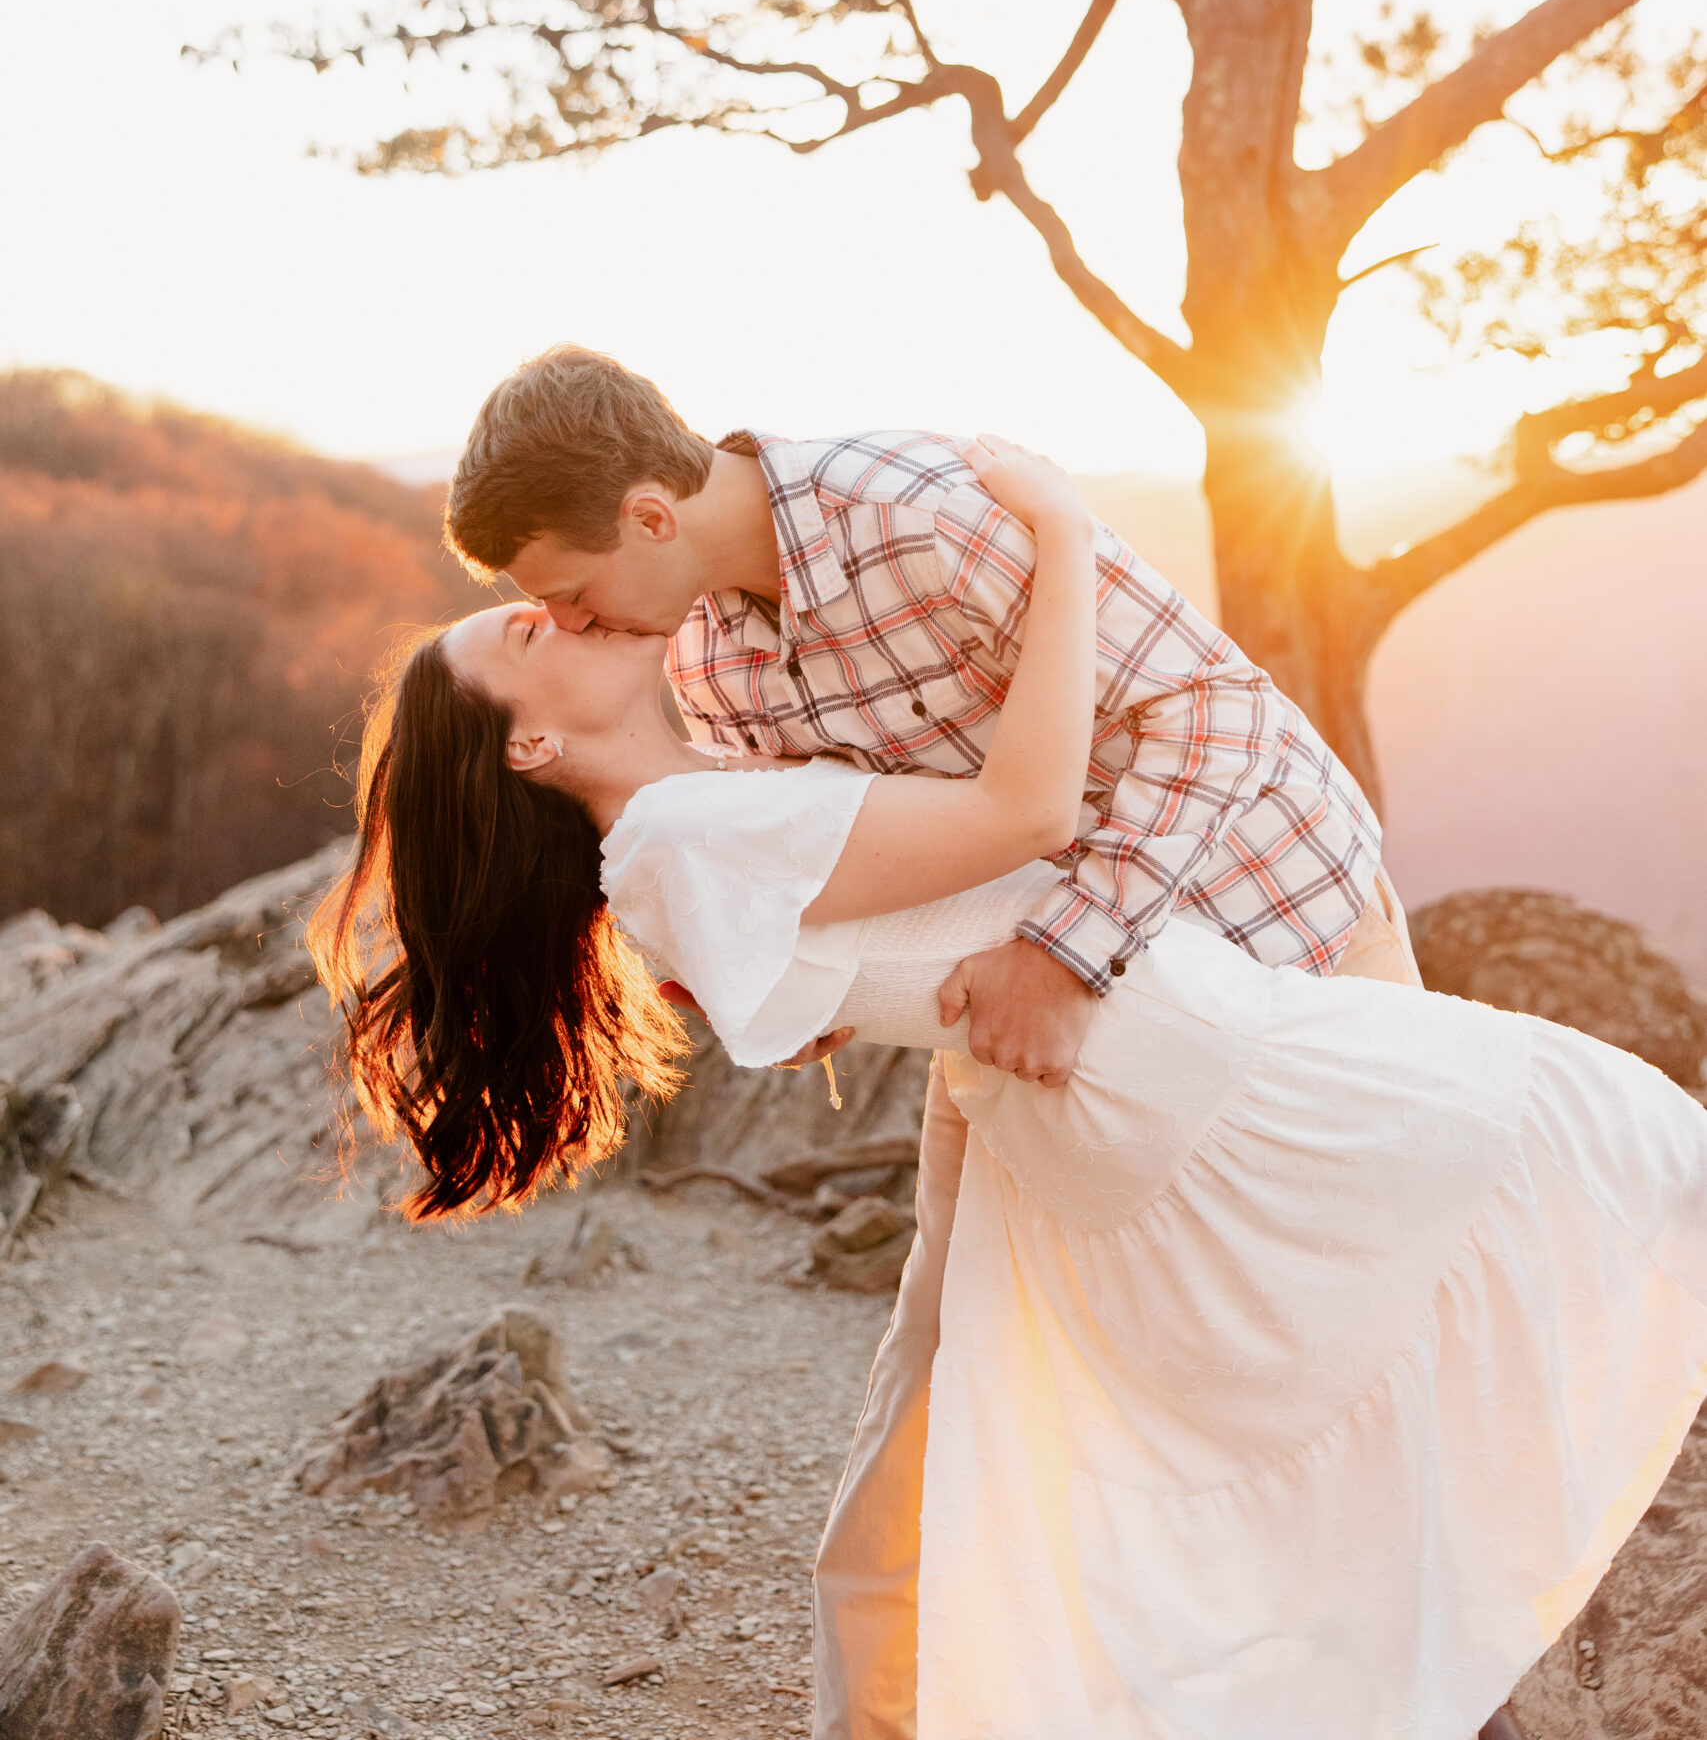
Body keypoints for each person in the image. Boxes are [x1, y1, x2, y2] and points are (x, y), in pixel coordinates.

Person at [314, 434, 1707, 1740]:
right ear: (527, 748)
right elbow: (1025, 814)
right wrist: (1063, 526)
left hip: (1127, 1068)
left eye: (541, 599)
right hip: (1171, 1068)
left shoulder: (703, 791)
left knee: (1097, 1462)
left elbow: (832, 949)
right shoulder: (687, 834)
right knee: (1610, 1163)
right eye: (521, 630)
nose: (553, 615)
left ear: (649, 516)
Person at [441, 345, 1421, 1738]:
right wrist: (812, 991)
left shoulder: (920, 515)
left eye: (573, 593)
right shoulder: (710, 653)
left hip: (1284, 941)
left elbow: (1208, 715)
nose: (578, 625)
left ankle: (1434, 1691)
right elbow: (867, 863)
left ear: (653, 517)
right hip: (1032, 1039)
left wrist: (1066, 953)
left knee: (1326, 1376)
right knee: (941, 1384)